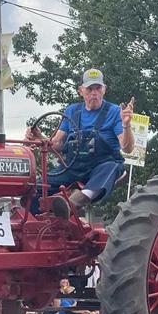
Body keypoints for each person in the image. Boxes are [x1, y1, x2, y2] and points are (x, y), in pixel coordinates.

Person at [25, 68, 135, 218]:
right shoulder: (72, 111)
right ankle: (38, 223)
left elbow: (127, 148)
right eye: (90, 89)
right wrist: (39, 137)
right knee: (34, 188)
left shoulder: (115, 112)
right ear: (81, 91)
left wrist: (126, 125)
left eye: (98, 88)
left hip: (100, 167)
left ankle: (72, 204)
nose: (94, 93)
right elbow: (56, 144)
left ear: (104, 90)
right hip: (72, 167)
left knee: (112, 167)